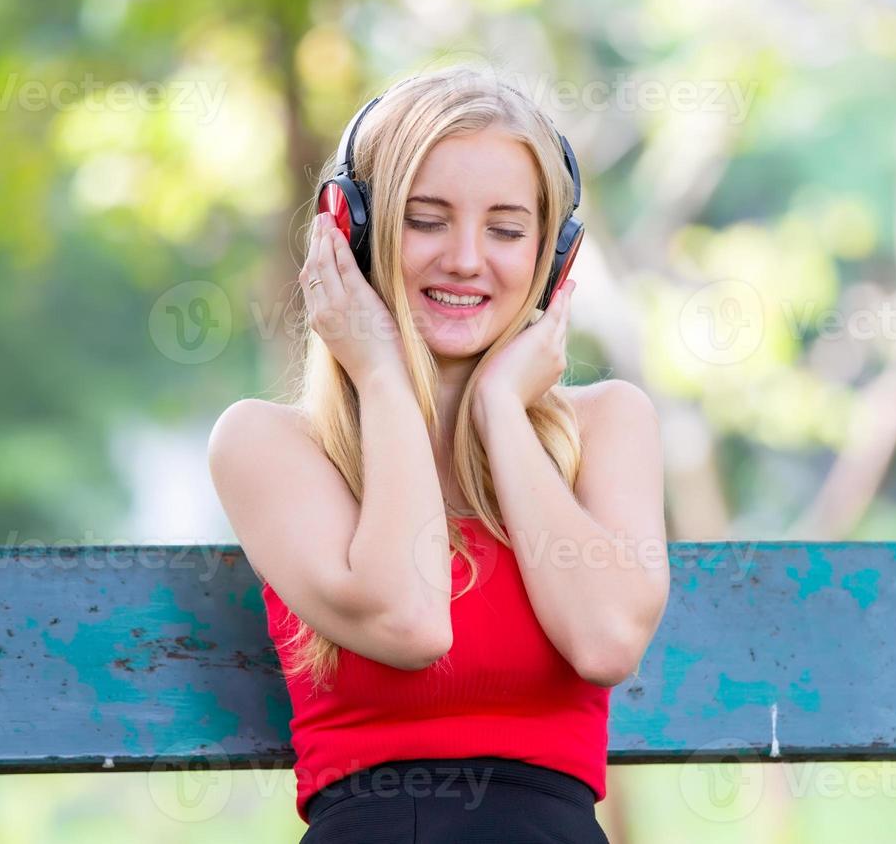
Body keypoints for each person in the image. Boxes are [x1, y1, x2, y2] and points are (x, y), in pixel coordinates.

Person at [208, 66, 668, 842]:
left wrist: (501, 411)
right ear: (349, 231)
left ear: (555, 257)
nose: (464, 258)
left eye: (506, 229)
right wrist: (381, 376)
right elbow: (409, 620)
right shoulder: (269, 445)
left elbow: (607, 640)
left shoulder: (609, 427)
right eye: (426, 220)